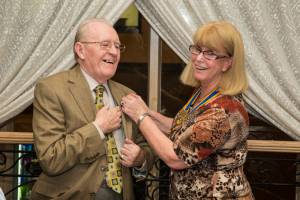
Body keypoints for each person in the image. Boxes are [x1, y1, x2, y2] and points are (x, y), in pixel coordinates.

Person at [121, 21, 254, 199]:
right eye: (197, 49)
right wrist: (149, 113)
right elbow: (187, 130)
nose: (199, 58)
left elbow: (175, 157)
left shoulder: (224, 110)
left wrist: (141, 116)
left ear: (227, 63)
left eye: (210, 53)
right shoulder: (204, 91)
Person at [31, 18, 154, 200]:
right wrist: (98, 129)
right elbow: (50, 158)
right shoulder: (51, 89)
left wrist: (140, 158)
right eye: (105, 45)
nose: (113, 52)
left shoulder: (127, 95)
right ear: (80, 50)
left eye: (117, 46)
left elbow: (145, 147)